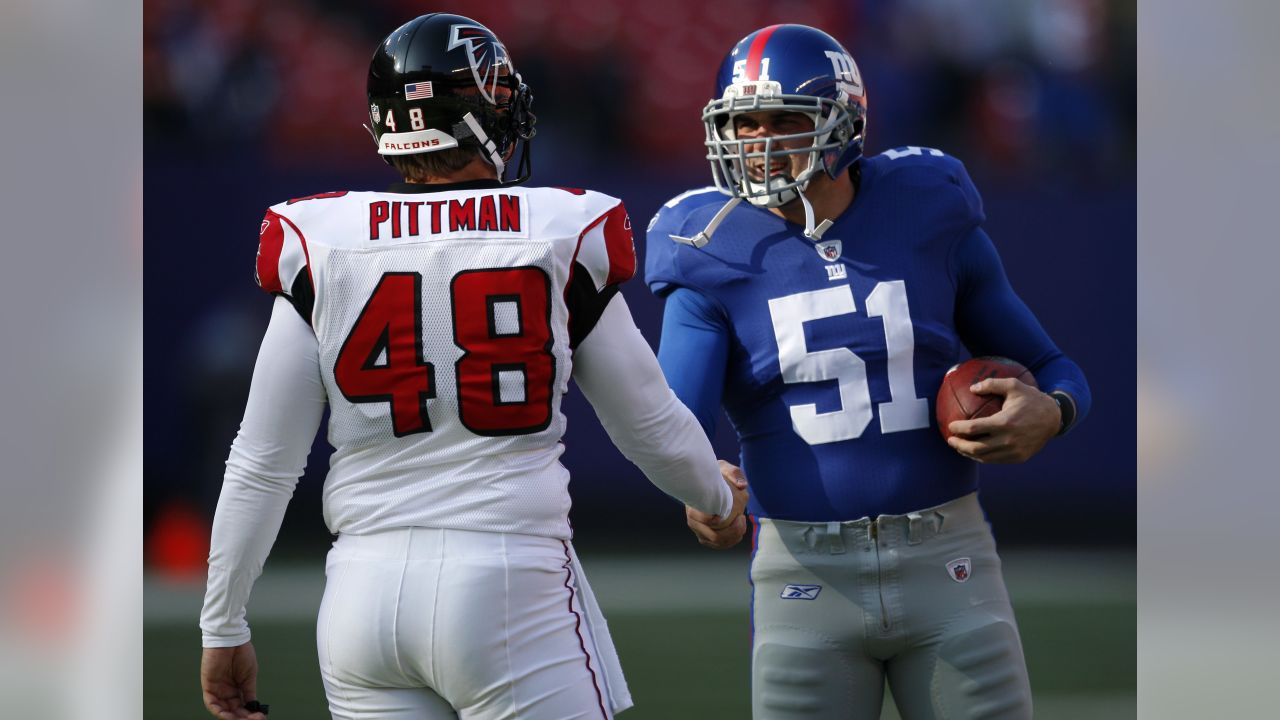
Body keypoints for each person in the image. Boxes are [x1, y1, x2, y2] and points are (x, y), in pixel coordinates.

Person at [198, 13, 747, 720]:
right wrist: (717, 496)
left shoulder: (323, 244)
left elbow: (262, 463)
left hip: (361, 599)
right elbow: (649, 424)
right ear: (480, 115)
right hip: (508, 583)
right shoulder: (552, 232)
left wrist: (223, 623)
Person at [645, 24, 1092, 720]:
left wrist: (1053, 410)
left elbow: (1055, 368)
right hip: (803, 577)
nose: (758, 142)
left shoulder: (925, 206)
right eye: (744, 122)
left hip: (950, 559)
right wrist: (701, 482)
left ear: (845, 121)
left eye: (786, 120)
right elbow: (673, 425)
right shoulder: (707, 247)